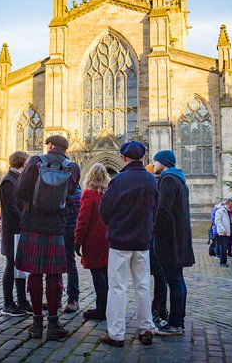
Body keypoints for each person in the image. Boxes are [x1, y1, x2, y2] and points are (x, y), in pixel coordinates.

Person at [15, 135, 80, 340]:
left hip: (33, 224)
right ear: (65, 149)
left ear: (50, 146)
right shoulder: (74, 168)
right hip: (55, 226)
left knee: (34, 274)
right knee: (54, 276)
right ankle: (53, 325)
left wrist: (31, 207)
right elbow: (69, 194)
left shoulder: (35, 162)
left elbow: (20, 192)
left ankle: (36, 325)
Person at [98, 141, 157, 347]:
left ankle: (116, 333)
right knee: (142, 285)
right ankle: (146, 328)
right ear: (143, 157)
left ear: (124, 158)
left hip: (120, 241)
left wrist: (115, 225)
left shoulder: (119, 180)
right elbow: (155, 210)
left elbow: (104, 209)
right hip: (142, 241)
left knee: (117, 287)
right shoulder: (151, 180)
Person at [152, 150, 195, 336]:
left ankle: (175, 323)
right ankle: (179, 320)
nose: (154, 165)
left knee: (174, 282)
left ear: (163, 162)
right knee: (178, 281)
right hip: (179, 238)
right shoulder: (180, 181)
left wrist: (155, 231)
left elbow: (163, 211)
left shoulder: (168, 180)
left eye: (155, 162)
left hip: (169, 240)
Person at [74, 163, 110, 321]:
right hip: (108, 239)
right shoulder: (108, 193)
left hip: (93, 240)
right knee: (105, 273)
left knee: (97, 273)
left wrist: (77, 240)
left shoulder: (89, 194)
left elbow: (83, 220)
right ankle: (108, 306)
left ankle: (101, 308)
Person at [0, 150, 32, 316]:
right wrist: (25, 222)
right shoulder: (8, 181)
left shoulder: (16, 179)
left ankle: (22, 300)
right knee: (11, 266)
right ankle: (8, 303)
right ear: (24, 164)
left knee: (20, 267)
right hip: (12, 231)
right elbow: (12, 208)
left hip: (19, 230)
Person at [146, 164, 168, 327]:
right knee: (161, 277)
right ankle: (160, 308)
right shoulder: (163, 186)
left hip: (152, 237)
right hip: (159, 237)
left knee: (153, 276)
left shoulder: (153, 189)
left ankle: (155, 309)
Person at [62, 184, 82, 313]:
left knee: (69, 263)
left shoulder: (74, 190)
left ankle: (73, 298)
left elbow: (74, 210)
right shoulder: (75, 188)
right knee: (59, 264)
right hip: (63, 227)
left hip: (68, 228)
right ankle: (58, 295)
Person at [214, 199, 232, 267]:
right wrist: (222, 230)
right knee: (224, 248)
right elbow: (217, 221)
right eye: (231, 204)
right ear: (227, 204)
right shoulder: (220, 211)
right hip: (224, 231)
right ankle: (223, 262)